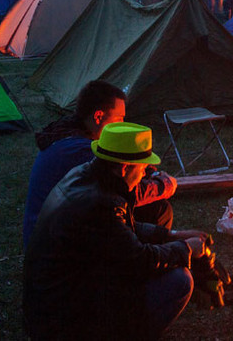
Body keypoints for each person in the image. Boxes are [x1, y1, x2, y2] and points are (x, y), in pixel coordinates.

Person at [24, 121, 207, 340]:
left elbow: (118, 230)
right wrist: (185, 248)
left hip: (54, 299)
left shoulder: (86, 175)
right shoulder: (100, 202)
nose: (143, 176)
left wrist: (170, 235)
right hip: (62, 319)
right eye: (142, 169)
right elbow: (140, 262)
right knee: (178, 281)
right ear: (124, 167)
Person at [23, 80, 177, 249]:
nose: (123, 124)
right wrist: (163, 185)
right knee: (158, 210)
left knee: (153, 209)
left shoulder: (68, 134)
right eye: (119, 118)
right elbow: (125, 192)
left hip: (55, 228)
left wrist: (147, 172)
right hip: (55, 242)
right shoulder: (84, 151)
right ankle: (141, 261)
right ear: (98, 116)